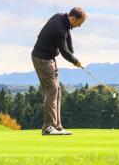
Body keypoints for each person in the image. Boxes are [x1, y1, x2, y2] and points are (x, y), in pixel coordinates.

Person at [31, 7, 86, 135]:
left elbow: (68, 37)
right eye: (79, 23)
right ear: (73, 18)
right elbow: (64, 51)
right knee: (52, 90)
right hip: (42, 59)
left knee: (57, 91)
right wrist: (75, 60)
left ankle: (57, 126)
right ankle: (48, 127)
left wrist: (73, 53)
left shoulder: (62, 19)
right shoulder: (58, 28)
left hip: (49, 58)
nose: (79, 26)